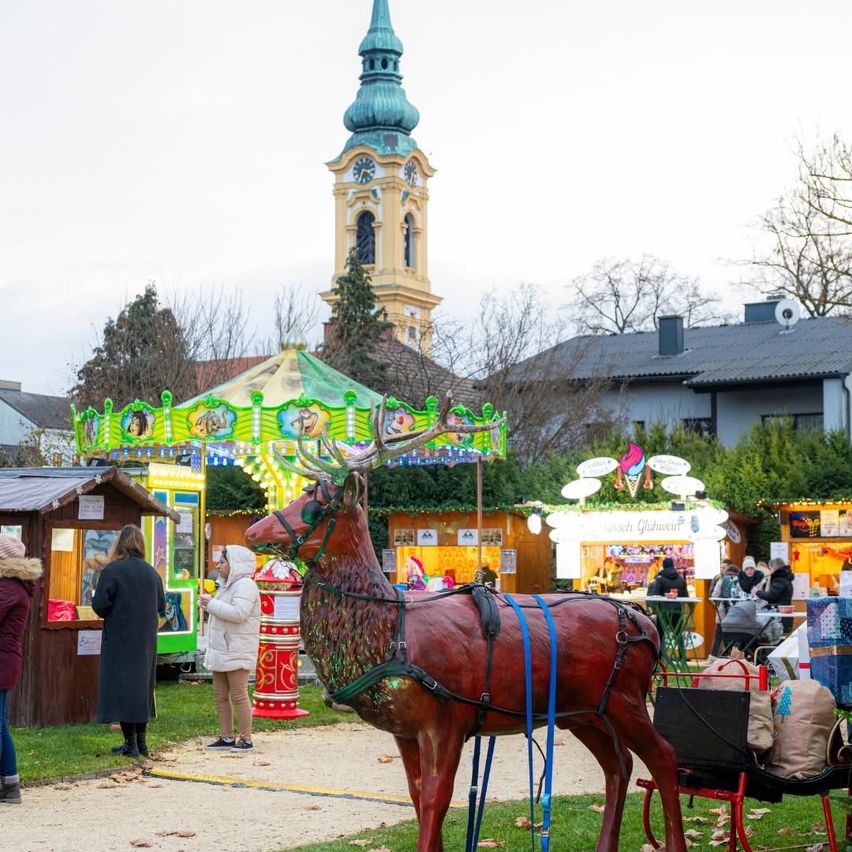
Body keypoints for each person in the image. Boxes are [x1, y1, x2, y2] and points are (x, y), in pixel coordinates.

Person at [92, 525, 165, 758]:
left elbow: (100, 606)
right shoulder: (152, 573)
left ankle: (130, 743)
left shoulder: (113, 570)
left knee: (123, 690)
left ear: (119, 544)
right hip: (145, 640)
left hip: (120, 639)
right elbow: (161, 607)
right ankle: (142, 743)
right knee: (141, 689)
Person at [199, 545, 260, 752]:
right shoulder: (225, 585)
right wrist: (211, 604)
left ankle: (246, 738)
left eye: (222, 562)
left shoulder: (246, 585)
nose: (218, 565)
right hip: (222, 649)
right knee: (220, 695)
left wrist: (211, 604)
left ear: (235, 565)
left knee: (239, 694)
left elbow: (239, 614)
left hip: (237, 648)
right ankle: (226, 737)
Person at [0, 534, 42, 804]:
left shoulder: (7, 587)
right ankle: (10, 781)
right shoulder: (17, 586)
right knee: (0, 723)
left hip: (1, 659)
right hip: (6, 659)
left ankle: (10, 782)